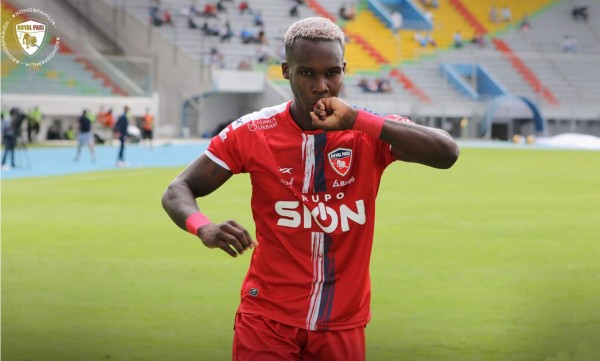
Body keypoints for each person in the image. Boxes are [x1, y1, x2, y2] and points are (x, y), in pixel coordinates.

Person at [161, 17, 459, 360]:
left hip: (342, 324)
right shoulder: (253, 131)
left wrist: (356, 120)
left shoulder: (368, 131)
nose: (321, 86)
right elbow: (178, 188)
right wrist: (204, 227)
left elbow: (447, 153)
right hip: (267, 320)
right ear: (286, 70)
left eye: (332, 72)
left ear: (345, 69)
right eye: (307, 73)